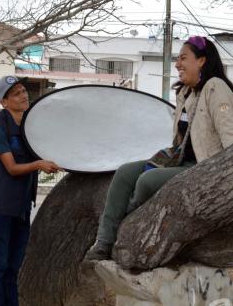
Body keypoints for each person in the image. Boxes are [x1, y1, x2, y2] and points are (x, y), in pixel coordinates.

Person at [86, 36, 233, 261]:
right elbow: (180, 140)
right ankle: (104, 242)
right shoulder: (186, 93)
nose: (177, 64)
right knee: (125, 172)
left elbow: (229, 139)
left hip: (204, 168)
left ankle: (125, 219)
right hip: (181, 161)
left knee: (148, 180)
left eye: (183, 58)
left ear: (202, 60)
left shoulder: (216, 87)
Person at [0, 76, 61, 306]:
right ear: (4, 102)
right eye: (16, 93)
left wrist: (50, 164)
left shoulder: (28, 124)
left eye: (24, 90)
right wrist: (38, 165)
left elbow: (39, 157)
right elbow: (12, 168)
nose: (24, 95)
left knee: (13, 266)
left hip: (21, 206)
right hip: (0, 206)